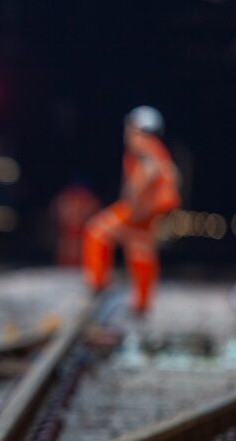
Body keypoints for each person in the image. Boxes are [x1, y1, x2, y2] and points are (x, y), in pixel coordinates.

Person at [82, 106, 180, 313]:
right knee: (140, 249)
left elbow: (149, 171)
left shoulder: (142, 144)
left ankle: (98, 283)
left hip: (139, 209)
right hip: (151, 211)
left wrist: (133, 196)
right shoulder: (159, 149)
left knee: (97, 231)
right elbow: (172, 177)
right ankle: (142, 303)